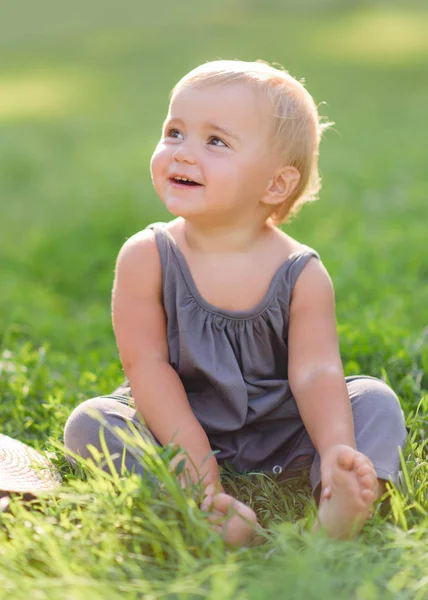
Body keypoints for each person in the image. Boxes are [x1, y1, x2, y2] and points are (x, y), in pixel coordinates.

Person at [64, 60, 407, 546]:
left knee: (374, 401)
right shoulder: (147, 257)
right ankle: (201, 509)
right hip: (177, 421)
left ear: (275, 184)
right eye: (175, 132)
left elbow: (315, 374)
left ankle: (338, 496)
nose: (182, 153)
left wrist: (334, 447)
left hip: (283, 430)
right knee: (92, 422)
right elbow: (147, 368)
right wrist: (195, 470)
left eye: (215, 141)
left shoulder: (301, 272)